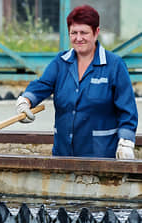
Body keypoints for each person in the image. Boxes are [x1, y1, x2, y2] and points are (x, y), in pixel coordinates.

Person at [16, 5, 138, 159]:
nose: (78, 38)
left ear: (96, 32)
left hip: (100, 155)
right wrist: (25, 101)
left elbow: (127, 110)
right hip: (63, 155)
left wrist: (126, 141)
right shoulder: (61, 63)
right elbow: (43, 85)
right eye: (74, 33)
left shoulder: (114, 65)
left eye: (84, 32)